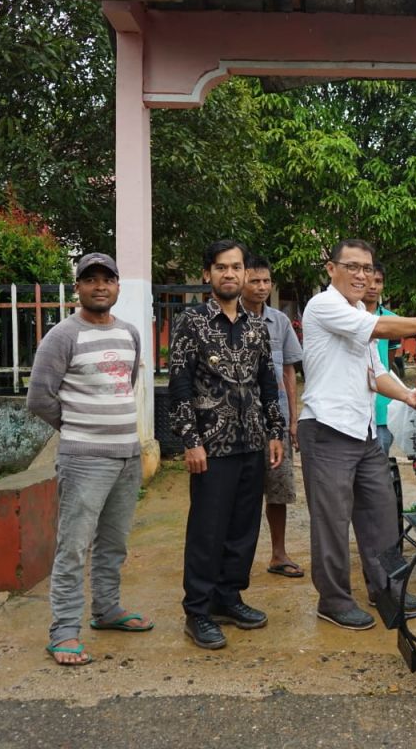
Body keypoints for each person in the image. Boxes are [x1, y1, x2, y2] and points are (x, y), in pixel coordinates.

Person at [297, 238, 416, 630]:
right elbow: (380, 327)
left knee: (381, 515)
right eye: (351, 266)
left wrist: (408, 395)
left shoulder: (356, 310)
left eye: (367, 268)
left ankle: (387, 587)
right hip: (327, 428)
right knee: (332, 522)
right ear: (331, 269)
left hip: (365, 430)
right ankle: (333, 600)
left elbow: (376, 374)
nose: (361, 275)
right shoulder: (324, 306)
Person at [27, 252, 153, 666]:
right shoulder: (63, 336)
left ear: (117, 285)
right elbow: (40, 398)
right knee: (73, 547)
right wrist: (80, 429)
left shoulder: (130, 333)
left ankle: (107, 609)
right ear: (78, 287)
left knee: (113, 543)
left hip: (127, 456)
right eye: (91, 279)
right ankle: (63, 631)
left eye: (108, 279)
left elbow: (126, 385)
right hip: (84, 460)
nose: (100, 286)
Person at [169, 240, 285, 650]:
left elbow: (267, 382)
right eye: (222, 268)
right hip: (211, 445)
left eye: (236, 267)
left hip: (252, 440)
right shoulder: (192, 321)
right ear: (208, 274)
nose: (230, 274)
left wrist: (276, 431)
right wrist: (189, 439)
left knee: (242, 528)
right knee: (208, 529)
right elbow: (179, 383)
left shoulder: (257, 326)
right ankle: (197, 611)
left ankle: (228, 598)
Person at [240, 256, 305, 580]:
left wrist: (293, 421)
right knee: (241, 494)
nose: (262, 287)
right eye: (255, 281)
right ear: (241, 281)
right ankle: (236, 560)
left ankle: (278, 554)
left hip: (274, 424)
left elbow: (290, 372)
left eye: (266, 281)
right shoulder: (227, 319)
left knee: (278, 490)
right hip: (237, 424)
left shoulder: (279, 322)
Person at [362, 261, 401, 455]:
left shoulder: (392, 320)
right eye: (369, 281)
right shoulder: (347, 316)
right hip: (353, 406)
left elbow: (388, 361)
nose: (373, 286)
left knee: (379, 466)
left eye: (378, 281)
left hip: (382, 407)